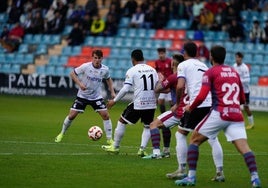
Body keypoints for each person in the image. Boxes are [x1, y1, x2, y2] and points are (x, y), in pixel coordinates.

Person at [175, 45, 261, 188]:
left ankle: (191, 177)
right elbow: (242, 100)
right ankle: (255, 178)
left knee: (194, 140)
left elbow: (202, 96)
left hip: (219, 113)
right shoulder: (234, 72)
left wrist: (191, 106)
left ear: (211, 57)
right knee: (244, 148)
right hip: (236, 115)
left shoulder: (211, 72)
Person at [171, 41, 224, 182]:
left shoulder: (183, 65)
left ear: (184, 52)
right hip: (210, 103)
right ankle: (220, 172)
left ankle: (182, 170)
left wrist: (177, 104)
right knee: (212, 137)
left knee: (180, 134)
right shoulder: (204, 65)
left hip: (196, 104)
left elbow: (180, 86)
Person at [101, 49, 158, 157]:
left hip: (139, 102)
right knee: (147, 126)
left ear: (133, 59)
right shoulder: (152, 69)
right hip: (151, 102)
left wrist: (114, 101)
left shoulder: (132, 70)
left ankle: (115, 147)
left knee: (122, 121)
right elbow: (157, 87)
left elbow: (126, 89)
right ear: (143, 58)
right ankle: (142, 149)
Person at [55, 49, 116, 146]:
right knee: (72, 116)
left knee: (105, 115)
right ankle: (61, 133)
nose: (97, 60)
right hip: (82, 96)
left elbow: (108, 79)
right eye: (95, 58)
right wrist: (80, 84)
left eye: (99, 58)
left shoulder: (105, 69)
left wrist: (112, 92)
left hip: (96, 97)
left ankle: (109, 140)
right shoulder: (86, 66)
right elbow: (72, 73)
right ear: (92, 58)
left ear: (102, 59)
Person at [143, 53, 187, 159]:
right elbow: (170, 88)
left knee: (153, 124)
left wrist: (161, 80)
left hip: (179, 110)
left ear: (173, 63)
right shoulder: (185, 76)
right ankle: (166, 151)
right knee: (164, 125)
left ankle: (156, 153)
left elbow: (157, 89)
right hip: (189, 110)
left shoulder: (173, 77)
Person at [155, 47, 173, 157]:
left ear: (165, 53)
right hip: (163, 85)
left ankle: (172, 115)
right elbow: (157, 71)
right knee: (160, 101)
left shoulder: (170, 61)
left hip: (170, 84)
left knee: (172, 102)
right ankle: (163, 114)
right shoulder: (157, 62)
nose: (161, 55)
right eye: (159, 53)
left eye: (162, 53)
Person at [233, 52, 254, 129]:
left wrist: (238, 81)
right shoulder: (234, 66)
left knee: (246, 107)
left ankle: (251, 123)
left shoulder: (244, 67)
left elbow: (247, 79)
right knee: (235, 106)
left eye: (238, 57)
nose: (237, 59)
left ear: (241, 58)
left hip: (245, 91)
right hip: (237, 90)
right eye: (236, 57)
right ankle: (238, 123)